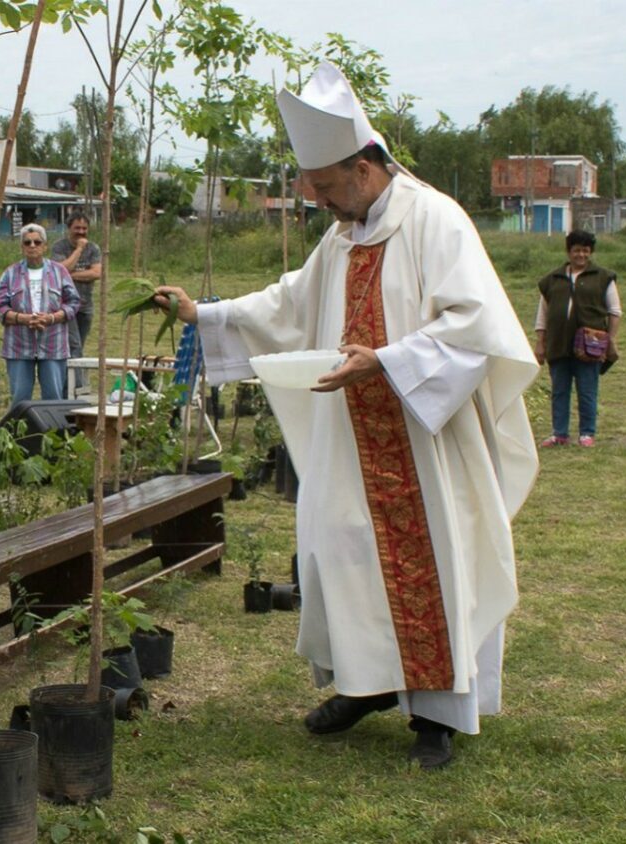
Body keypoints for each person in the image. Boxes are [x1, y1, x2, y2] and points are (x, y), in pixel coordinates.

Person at [154, 63, 537, 770]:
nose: (324, 205)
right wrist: (204, 313)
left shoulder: (435, 221)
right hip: (347, 440)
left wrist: (387, 361)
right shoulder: (343, 233)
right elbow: (293, 303)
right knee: (338, 552)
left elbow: (474, 325)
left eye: (328, 189)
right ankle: (362, 685)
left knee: (430, 565)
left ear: (364, 168)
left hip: (423, 438)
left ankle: (435, 719)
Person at [533, 229, 620, 447]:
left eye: (585, 251)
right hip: (558, 344)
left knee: (587, 390)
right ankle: (559, 434)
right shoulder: (552, 280)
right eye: (576, 250)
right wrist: (540, 343)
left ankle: (587, 433)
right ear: (568, 251)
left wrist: (611, 340)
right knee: (559, 391)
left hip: (590, 346)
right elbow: (542, 315)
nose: (581, 255)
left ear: (590, 252)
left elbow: (615, 311)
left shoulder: (603, 278)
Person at [0, 223, 79, 403]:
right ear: (22, 247)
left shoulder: (59, 271)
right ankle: (19, 431)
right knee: (19, 398)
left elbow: (74, 302)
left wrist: (52, 318)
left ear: (45, 246)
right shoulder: (10, 273)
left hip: (53, 345)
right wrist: (22, 319)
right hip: (18, 346)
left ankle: (52, 431)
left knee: (54, 397)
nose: (32, 246)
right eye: (27, 242)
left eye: (37, 242)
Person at [52, 212, 104, 385]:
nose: (81, 232)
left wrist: (70, 274)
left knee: (78, 346)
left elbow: (97, 273)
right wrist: (79, 249)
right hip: (66, 305)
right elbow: (60, 270)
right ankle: (78, 388)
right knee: (74, 346)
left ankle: (67, 381)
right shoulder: (59, 247)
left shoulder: (94, 248)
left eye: (84, 228)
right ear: (69, 228)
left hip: (86, 304)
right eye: (77, 228)